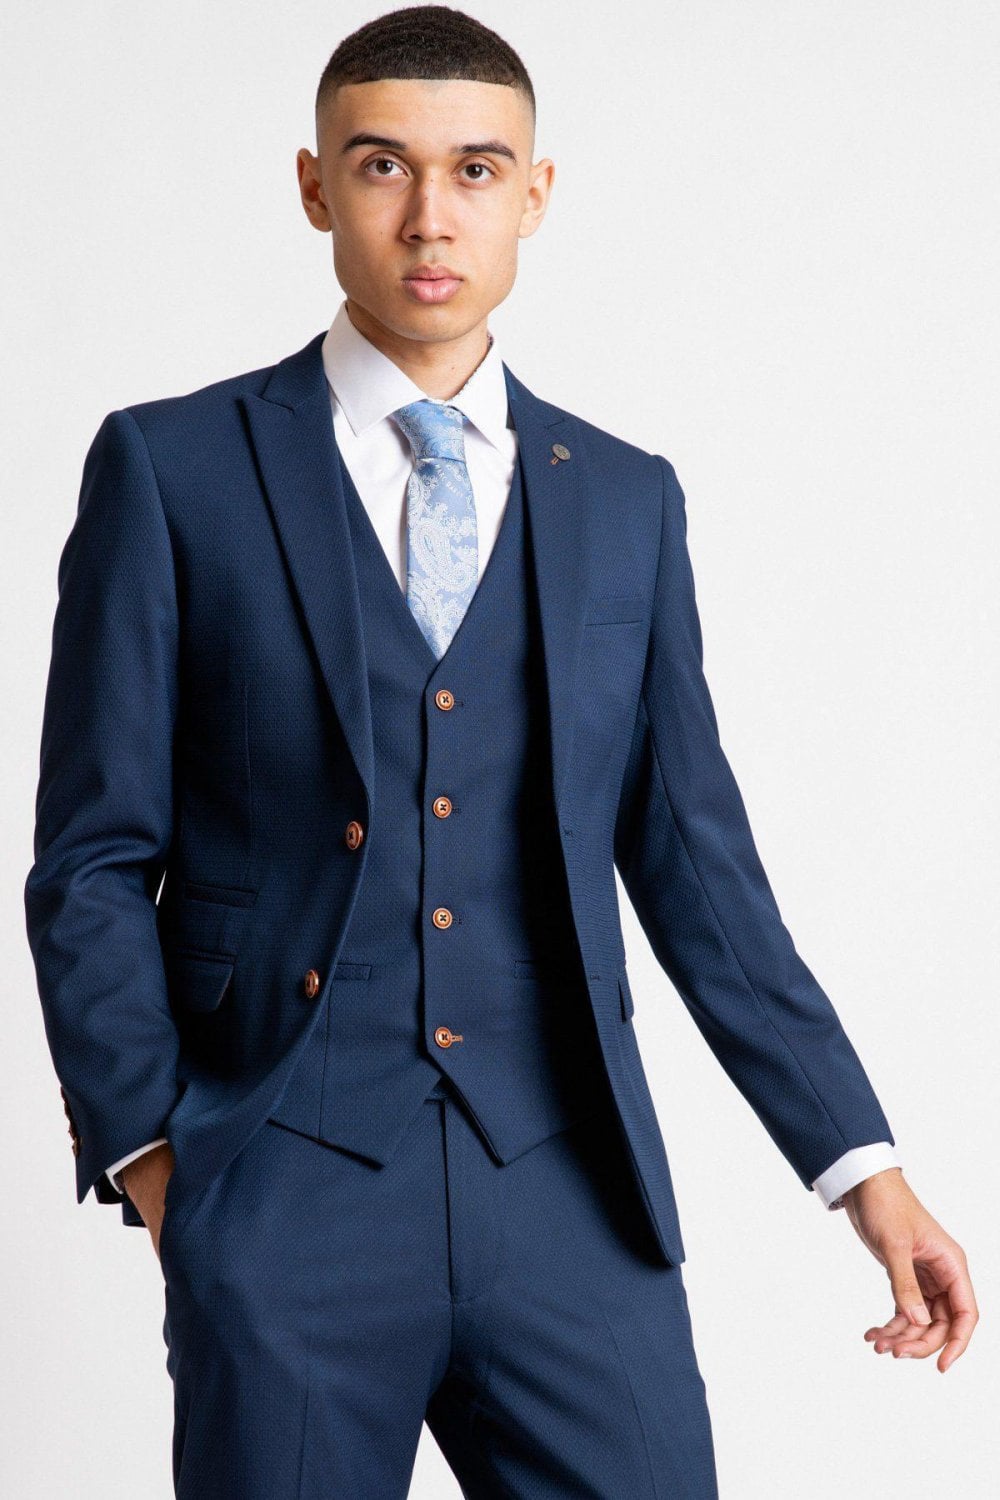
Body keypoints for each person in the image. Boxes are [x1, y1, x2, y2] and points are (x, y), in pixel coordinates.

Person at [25, 6, 977, 1496]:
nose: (429, 217)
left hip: (566, 1190)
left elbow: (699, 871)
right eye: (380, 166)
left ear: (534, 194)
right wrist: (160, 1161)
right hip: (283, 1190)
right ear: (314, 187)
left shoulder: (628, 501)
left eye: (475, 170)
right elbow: (91, 854)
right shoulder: (174, 468)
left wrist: (865, 1170)